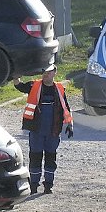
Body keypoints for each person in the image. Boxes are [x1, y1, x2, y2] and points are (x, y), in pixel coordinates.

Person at [13, 64, 73, 194]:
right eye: (44, 73)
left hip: (53, 129)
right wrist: (16, 77)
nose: (46, 75)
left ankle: (48, 185)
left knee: (51, 156)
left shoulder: (59, 88)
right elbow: (19, 86)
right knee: (35, 156)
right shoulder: (34, 86)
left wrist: (70, 124)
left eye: (48, 72)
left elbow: (65, 107)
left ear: (54, 73)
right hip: (36, 129)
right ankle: (34, 185)